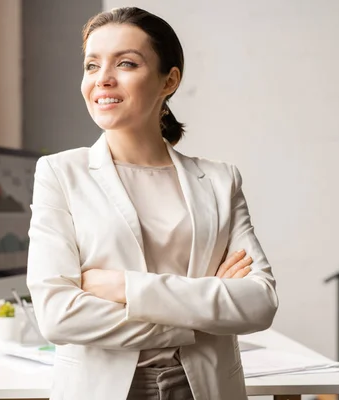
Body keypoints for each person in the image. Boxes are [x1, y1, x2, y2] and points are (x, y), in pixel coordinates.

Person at [26, 7, 278, 400]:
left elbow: (259, 303)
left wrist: (125, 286)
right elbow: (58, 316)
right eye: (92, 65)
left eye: (126, 63)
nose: (103, 79)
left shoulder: (220, 180)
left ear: (168, 80)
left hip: (205, 388)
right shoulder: (59, 174)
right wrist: (200, 314)